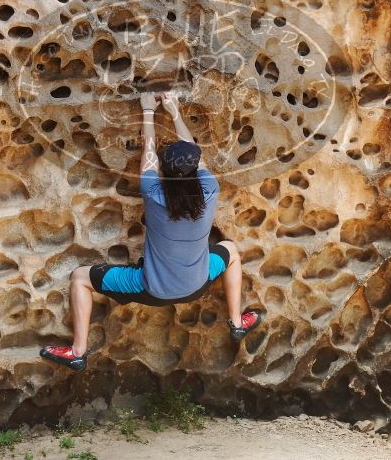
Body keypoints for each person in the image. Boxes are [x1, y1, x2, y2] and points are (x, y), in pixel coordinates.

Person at [40, 90, 263, 371]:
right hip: (197, 283)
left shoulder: (153, 192)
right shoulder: (209, 190)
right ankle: (235, 320)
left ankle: (78, 351)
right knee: (230, 250)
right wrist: (175, 111)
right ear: (195, 170)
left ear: (164, 172)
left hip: (151, 289)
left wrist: (147, 111)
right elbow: (194, 153)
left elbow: (148, 149)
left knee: (80, 278)